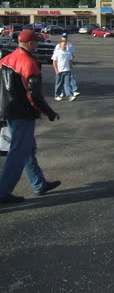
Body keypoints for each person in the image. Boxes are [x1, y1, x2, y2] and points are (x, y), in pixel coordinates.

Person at [0, 29, 60, 204]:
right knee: (18, 152)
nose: (38, 45)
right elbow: (33, 94)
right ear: (30, 44)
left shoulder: (7, 59)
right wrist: (48, 111)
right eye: (36, 42)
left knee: (27, 148)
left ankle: (38, 183)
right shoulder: (28, 63)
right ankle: (3, 191)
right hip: (22, 112)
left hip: (9, 110)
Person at [51, 37, 78, 101]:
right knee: (58, 84)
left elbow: (70, 60)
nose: (65, 46)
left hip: (67, 71)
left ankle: (70, 96)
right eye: (64, 45)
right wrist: (56, 70)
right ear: (60, 46)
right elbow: (54, 62)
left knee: (67, 85)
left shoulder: (68, 52)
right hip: (60, 71)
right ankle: (57, 95)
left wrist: (71, 67)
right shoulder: (57, 53)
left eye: (66, 45)